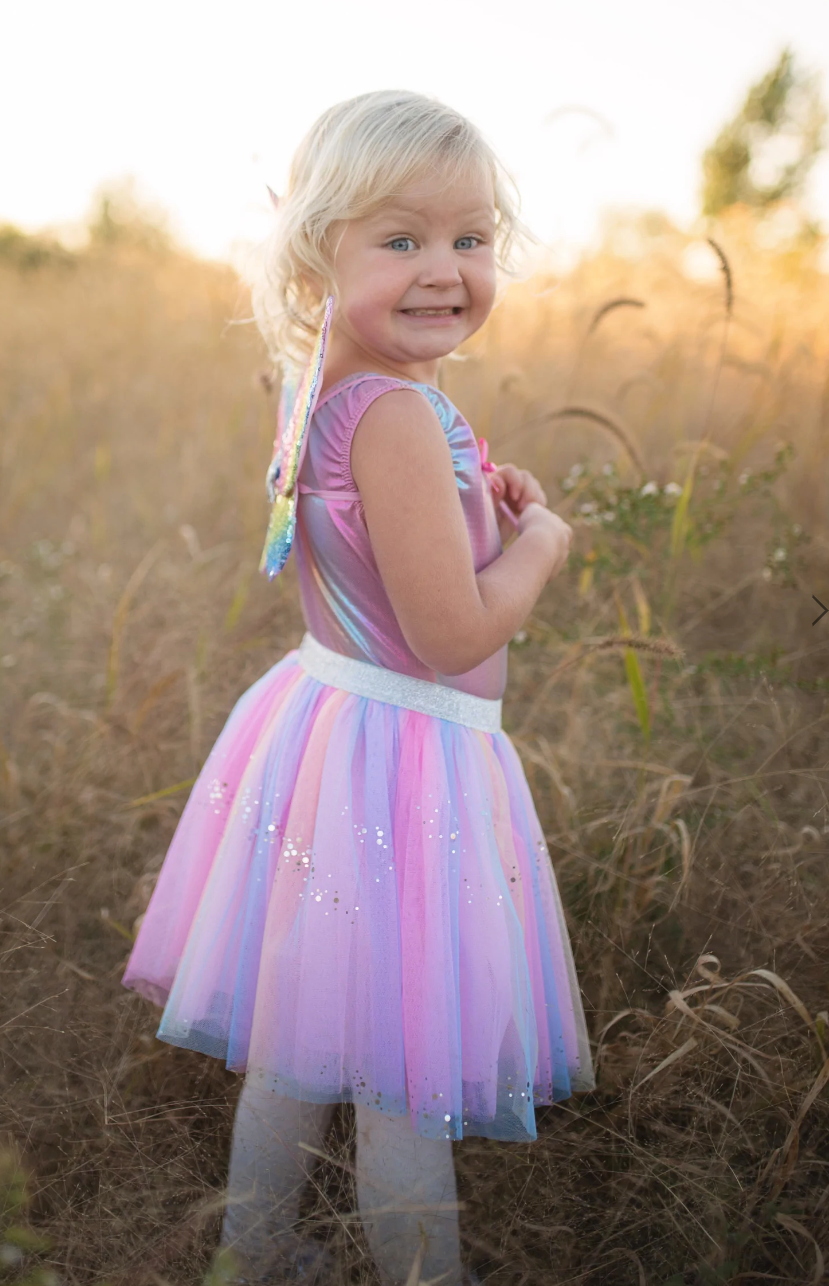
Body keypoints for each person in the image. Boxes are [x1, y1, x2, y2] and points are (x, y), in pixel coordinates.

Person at [122, 89, 595, 1286]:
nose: (444, 270)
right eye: (401, 240)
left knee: (301, 1034)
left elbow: (363, 541)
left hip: (331, 729)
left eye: (470, 239)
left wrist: (473, 505)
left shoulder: (327, 377)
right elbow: (445, 632)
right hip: (404, 755)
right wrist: (538, 548)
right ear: (316, 248)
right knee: (401, 1063)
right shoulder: (391, 410)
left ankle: (257, 1247)